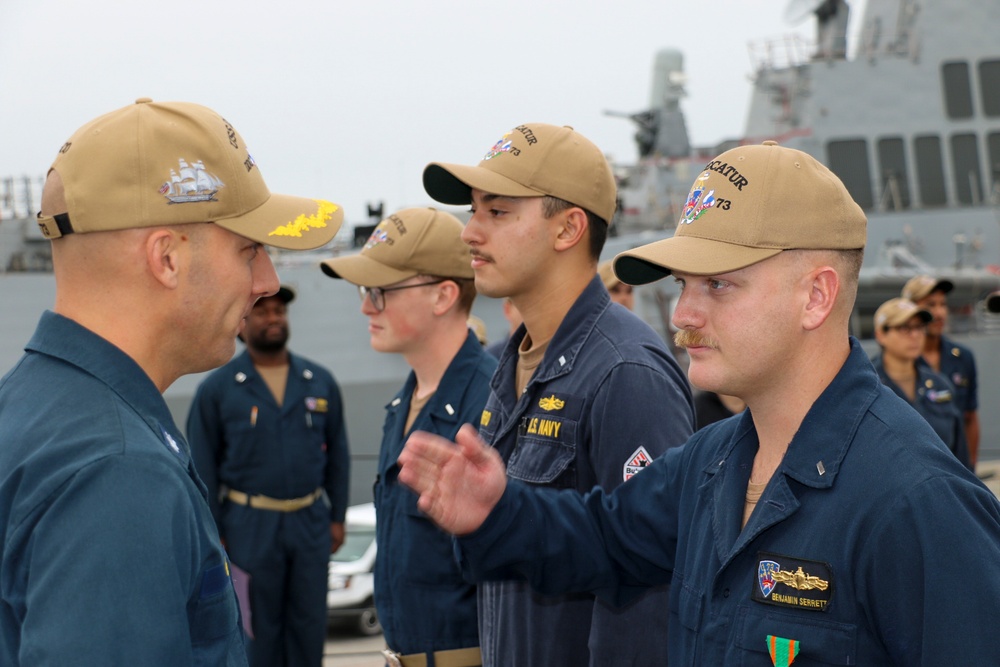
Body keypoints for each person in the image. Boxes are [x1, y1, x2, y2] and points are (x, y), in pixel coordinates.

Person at [399, 141, 1000, 665]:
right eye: (684, 286)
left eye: (719, 285)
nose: (683, 316)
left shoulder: (917, 505)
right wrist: (497, 512)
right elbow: (601, 539)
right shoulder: (710, 463)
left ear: (815, 296)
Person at [0, 98, 343, 666]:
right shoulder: (117, 474)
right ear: (167, 259)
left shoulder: (29, 408)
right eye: (249, 249)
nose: (268, 280)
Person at [421, 122, 695, 666]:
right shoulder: (516, 361)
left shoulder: (625, 373)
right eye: (474, 211)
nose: (469, 233)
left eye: (496, 212)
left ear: (568, 229)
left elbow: (651, 594)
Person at [320, 207, 497, 667]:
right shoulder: (404, 407)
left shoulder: (491, 408)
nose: (365, 307)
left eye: (379, 292)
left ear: (443, 296)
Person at [187, 283, 350, 667]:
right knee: (257, 630)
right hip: (249, 525)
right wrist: (217, 530)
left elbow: (338, 455)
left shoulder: (318, 380)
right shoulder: (218, 389)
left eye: (279, 311)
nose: (273, 318)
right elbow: (203, 467)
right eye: (263, 312)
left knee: (309, 625)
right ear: (242, 324)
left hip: (310, 523)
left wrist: (337, 516)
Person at [870, 297, 971, 469]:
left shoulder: (940, 385)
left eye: (919, 327)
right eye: (904, 328)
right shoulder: (868, 388)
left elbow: (959, 453)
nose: (915, 335)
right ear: (881, 335)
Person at [901, 275, 981, 467]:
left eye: (942, 305)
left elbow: (970, 418)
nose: (940, 313)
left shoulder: (963, 357)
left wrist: (970, 473)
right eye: (930, 305)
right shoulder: (898, 363)